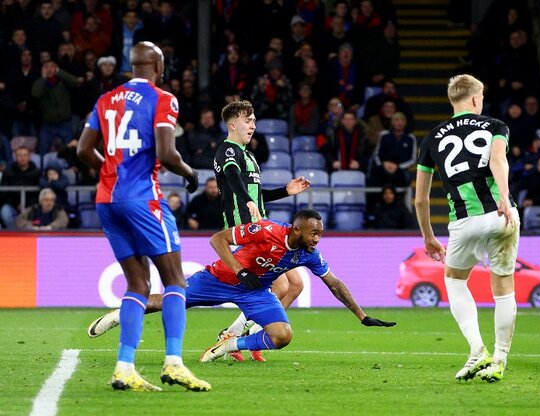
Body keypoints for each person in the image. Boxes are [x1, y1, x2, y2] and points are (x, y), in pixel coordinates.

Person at [77, 41, 210, 392]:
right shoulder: (163, 97)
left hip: (107, 200)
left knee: (137, 284)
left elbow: (82, 149)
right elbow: (167, 153)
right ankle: (174, 363)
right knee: (175, 282)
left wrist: (110, 173)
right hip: (143, 199)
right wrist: (190, 173)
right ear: (158, 66)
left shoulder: (105, 99)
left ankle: (124, 368)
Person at [85, 210, 396, 358]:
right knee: (169, 301)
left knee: (282, 336)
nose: (317, 240)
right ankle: (118, 314)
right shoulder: (265, 230)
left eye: (320, 235)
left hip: (255, 293)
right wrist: (238, 269)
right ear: (298, 229)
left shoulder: (309, 254)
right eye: (313, 234)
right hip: (218, 279)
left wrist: (361, 315)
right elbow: (217, 238)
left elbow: (335, 284)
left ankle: (230, 344)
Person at [415, 74, 519, 383]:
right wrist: (502, 195)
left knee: (455, 281)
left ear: (453, 101)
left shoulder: (432, 138)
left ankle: (477, 350)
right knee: (503, 287)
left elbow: (420, 199)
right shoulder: (496, 127)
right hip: (502, 215)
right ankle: (499, 359)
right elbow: (498, 159)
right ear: (476, 99)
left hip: (465, 220)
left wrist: (429, 237)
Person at [214, 99, 311, 361]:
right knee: (279, 285)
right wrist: (246, 200)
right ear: (233, 125)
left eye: (254, 120)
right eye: (249, 120)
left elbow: (257, 196)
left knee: (296, 285)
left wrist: (285, 191)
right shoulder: (228, 151)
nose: (253, 125)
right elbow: (234, 179)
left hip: (261, 228)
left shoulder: (249, 155)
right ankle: (233, 336)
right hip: (243, 229)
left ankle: (254, 335)